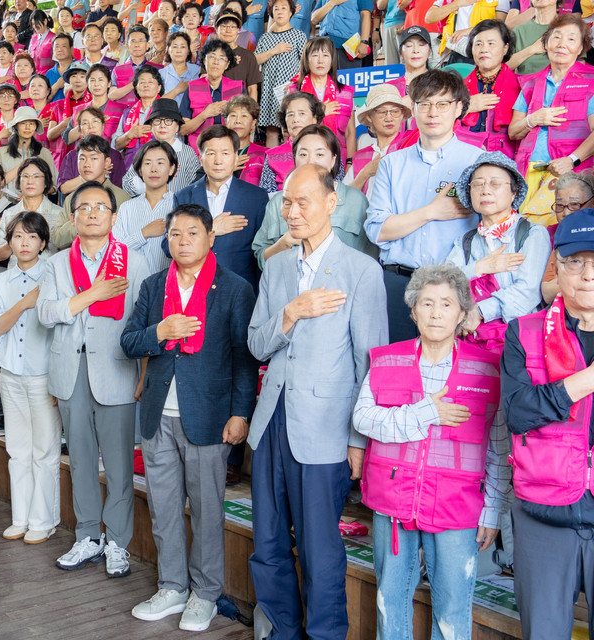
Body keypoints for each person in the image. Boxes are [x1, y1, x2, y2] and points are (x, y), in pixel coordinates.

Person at [247, 163, 387, 640]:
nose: (292, 212)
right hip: (271, 422)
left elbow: (370, 365)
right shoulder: (276, 266)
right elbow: (256, 344)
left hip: (326, 428)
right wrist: (291, 312)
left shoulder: (361, 270)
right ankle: (281, 630)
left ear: (332, 203)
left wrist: (358, 441)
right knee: (267, 542)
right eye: (287, 202)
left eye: (303, 202)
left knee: (320, 549)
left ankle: (325, 634)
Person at [352, 264, 511, 639]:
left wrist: (493, 510)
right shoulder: (386, 360)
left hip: (457, 506)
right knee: (390, 602)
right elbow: (362, 418)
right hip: (393, 501)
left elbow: (499, 447)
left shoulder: (488, 370)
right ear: (413, 310)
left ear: (462, 313)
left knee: (453, 610)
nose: (436, 313)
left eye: (446, 304)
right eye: (427, 303)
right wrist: (426, 412)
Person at [121, 202, 256, 632]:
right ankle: (172, 586)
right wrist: (160, 333)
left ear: (211, 238)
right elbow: (128, 341)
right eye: (175, 234)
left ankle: (206, 593)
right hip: (157, 414)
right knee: (163, 509)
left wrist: (240, 413)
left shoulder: (234, 288)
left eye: (193, 233)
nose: (183, 241)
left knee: (206, 511)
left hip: (209, 417)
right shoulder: (153, 285)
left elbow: (244, 360)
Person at [37, 181, 151, 578]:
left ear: (114, 217)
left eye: (100, 207)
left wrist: (145, 374)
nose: (91, 213)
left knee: (119, 464)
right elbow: (45, 313)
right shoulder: (56, 263)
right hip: (70, 372)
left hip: (117, 370)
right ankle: (88, 535)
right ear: (72, 217)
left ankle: (118, 541)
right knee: (81, 459)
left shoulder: (133, 262)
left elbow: (144, 323)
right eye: (83, 207)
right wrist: (92, 295)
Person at [500, 209, 594, 640]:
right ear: (556, 265)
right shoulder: (523, 332)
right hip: (543, 511)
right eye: (576, 262)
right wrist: (584, 382)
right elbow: (518, 413)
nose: (588, 275)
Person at [365, 69, 482, 343]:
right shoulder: (392, 164)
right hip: (398, 283)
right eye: (424, 104)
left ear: (459, 108)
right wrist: (431, 212)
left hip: (453, 285)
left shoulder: (477, 161)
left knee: (448, 366)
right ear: (414, 108)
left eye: (442, 104)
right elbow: (377, 230)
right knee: (396, 362)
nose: (432, 113)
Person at [0, 211, 63, 543]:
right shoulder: (1, 282)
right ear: (10, 242)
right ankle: (20, 518)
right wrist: (23, 304)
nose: (25, 243)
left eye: (32, 236)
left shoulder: (53, 275)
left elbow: (59, 329)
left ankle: (43, 520)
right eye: (18, 236)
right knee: (18, 449)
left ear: (43, 243)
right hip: (10, 373)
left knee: (45, 450)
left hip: (44, 374)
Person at [446, 152, 550, 351]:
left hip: (518, 344)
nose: (485, 191)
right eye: (478, 184)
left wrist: (479, 311)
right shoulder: (466, 241)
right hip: (470, 343)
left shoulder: (532, 234)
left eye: (495, 184)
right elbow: (444, 283)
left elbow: (528, 292)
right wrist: (479, 267)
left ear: (514, 192)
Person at [510, 14, 594, 222]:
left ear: (581, 48)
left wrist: (572, 159)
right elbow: (513, 131)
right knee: (521, 227)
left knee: (546, 228)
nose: (562, 44)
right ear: (546, 43)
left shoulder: (591, 80)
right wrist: (533, 119)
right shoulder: (530, 82)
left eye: (571, 39)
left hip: (570, 171)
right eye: (556, 37)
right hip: (527, 169)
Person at [254, 124, 375, 266]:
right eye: (303, 154)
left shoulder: (356, 200)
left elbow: (369, 258)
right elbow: (260, 256)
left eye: (320, 154)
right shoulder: (277, 202)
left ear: (333, 160)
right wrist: (284, 243)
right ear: (294, 158)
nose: (311, 161)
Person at [173, 125, 268, 291]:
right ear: (201, 158)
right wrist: (211, 230)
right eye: (211, 153)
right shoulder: (183, 196)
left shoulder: (256, 197)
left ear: (236, 157)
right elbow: (169, 247)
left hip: (240, 291)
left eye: (225, 153)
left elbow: (262, 252)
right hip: (193, 289)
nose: (218, 161)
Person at [53, 138, 133, 249]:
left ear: (107, 162)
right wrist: (80, 221)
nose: (87, 164)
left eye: (94, 158)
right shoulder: (71, 198)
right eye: (82, 158)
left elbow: (128, 239)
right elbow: (57, 239)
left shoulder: (122, 198)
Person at [290, 37, 356, 165]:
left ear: (332, 60)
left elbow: (350, 132)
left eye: (326, 55)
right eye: (315, 55)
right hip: (305, 161)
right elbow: (288, 132)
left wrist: (349, 163)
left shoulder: (346, 93)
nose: (320, 60)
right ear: (306, 60)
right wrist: (320, 113)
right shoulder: (294, 92)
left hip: (338, 161)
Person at [114, 140, 178, 273]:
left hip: (168, 281)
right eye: (148, 163)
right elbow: (115, 251)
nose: (153, 169)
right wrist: (143, 234)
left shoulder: (179, 205)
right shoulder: (126, 208)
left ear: (171, 169)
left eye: (160, 163)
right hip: (131, 282)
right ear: (140, 170)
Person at [459, 20, 519, 158]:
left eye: (491, 43)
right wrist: (466, 107)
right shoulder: (458, 87)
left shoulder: (520, 86)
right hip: (464, 156)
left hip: (505, 158)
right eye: (478, 44)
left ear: (505, 48)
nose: (484, 49)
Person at [121, 98, 201, 198]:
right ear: (151, 126)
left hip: (178, 206)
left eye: (168, 121)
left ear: (177, 126)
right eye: (157, 121)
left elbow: (197, 186)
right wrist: (150, 179)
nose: (162, 125)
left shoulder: (187, 153)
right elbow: (126, 185)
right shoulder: (145, 151)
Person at [0, 156, 65, 265]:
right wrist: (15, 239)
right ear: (19, 181)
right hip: (16, 272)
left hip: (48, 272)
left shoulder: (59, 214)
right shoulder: (9, 214)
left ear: (46, 182)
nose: (30, 181)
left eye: (36, 176)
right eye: (25, 176)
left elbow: (66, 253)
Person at [255, 0, 308, 146]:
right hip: (269, 91)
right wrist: (273, 51)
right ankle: (272, 161)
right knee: (271, 131)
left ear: (291, 12)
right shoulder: (265, 38)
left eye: (283, 8)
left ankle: (291, 159)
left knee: (290, 130)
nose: (279, 12)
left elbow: (305, 65)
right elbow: (255, 60)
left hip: (290, 90)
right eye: (276, 9)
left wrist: (294, 83)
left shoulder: (299, 36)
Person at [346, 84, 412, 197]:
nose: (389, 118)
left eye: (395, 111)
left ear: (402, 115)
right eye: (382, 112)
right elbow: (345, 198)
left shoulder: (411, 145)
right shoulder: (360, 156)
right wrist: (365, 173)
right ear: (369, 117)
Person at [179, 40, 243, 149]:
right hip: (199, 148)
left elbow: (244, 126)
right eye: (212, 57)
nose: (216, 62)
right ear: (204, 60)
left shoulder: (237, 88)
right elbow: (183, 130)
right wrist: (205, 114)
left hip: (228, 148)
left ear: (227, 64)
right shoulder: (192, 88)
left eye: (221, 58)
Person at [258, 91, 325, 194]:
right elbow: (266, 196)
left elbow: (339, 191)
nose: (295, 119)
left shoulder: (328, 149)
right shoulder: (273, 156)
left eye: (302, 113)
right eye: (290, 115)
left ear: (314, 118)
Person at [543, 173, 594, 303]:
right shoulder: (561, 240)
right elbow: (547, 292)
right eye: (560, 206)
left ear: (592, 204)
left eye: (574, 204)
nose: (566, 213)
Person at [425, 0, 509, 66]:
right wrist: (458, 3)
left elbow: (499, 26)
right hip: (454, 54)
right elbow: (429, 18)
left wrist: (469, 31)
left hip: (484, 54)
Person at [0, 107, 58, 191]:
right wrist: (23, 165)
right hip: (8, 199)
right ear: (16, 126)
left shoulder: (44, 153)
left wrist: (33, 193)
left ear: (36, 127)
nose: (27, 127)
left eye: (31, 124)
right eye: (23, 123)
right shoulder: (2, 152)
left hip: (37, 199)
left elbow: (54, 185)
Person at [114, 65, 166, 166]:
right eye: (142, 82)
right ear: (136, 88)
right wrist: (129, 135)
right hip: (130, 166)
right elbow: (116, 145)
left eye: (150, 82)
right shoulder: (127, 113)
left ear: (159, 88)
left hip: (157, 166)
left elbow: (173, 142)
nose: (146, 85)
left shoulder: (166, 111)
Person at [213, 12, 262, 101]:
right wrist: (227, 63)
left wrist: (252, 109)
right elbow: (205, 82)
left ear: (238, 30)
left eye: (232, 27)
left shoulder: (248, 56)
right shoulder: (209, 54)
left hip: (240, 106)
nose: (228, 30)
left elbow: (252, 89)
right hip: (215, 105)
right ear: (216, 29)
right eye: (224, 26)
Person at [311, 0, 373, 69]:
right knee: (325, 75)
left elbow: (365, 15)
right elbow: (314, 19)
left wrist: (364, 42)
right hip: (325, 46)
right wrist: (332, 3)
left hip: (349, 47)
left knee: (348, 75)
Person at [221, 95, 267, 185]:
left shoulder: (265, 155)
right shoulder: (216, 153)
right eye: (233, 115)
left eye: (244, 116)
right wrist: (224, 171)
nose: (238, 121)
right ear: (226, 122)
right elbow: (197, 185)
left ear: (253, 123)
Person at [508, 0, 557, 75]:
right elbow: (503, 67)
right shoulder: (519, 30)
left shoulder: (567, 27)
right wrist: (532, 49)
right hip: (524, 82)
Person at [391, 26, 433, 99]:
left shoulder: (440, 83)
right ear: (401, 53)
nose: (416, 50)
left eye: (421, 45)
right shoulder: (392, 88)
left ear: (429, 51)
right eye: (409, 46)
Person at [159, 33, 201, 103]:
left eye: (183, 47)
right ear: (168, 50)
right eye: (175, 47)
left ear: (188, 50)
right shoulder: (161, 74)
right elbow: (155, 104)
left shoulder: (198, 71)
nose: (178, 51)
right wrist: (177, 90)